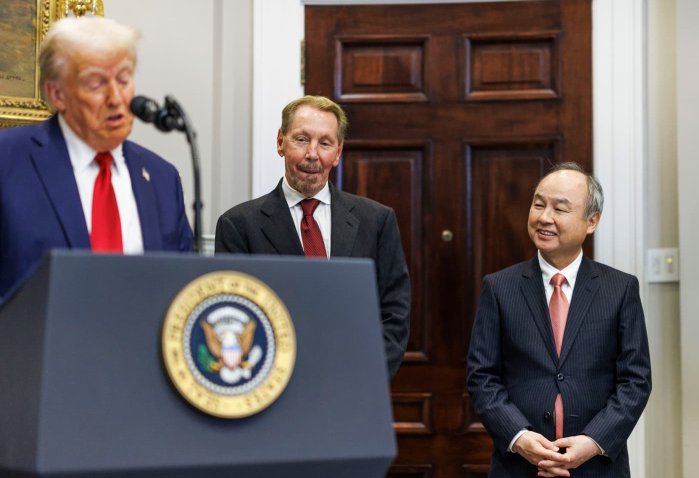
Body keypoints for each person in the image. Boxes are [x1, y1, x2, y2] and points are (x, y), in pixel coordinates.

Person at [467, 162, 651, 477]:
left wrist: (594, 441)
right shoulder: (499, 288)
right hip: (519, 466)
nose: (544, 217)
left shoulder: (620, 289)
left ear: (591, 221)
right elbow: (482, 377)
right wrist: (520, 437)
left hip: (597, 466)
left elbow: (635, 380)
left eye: (560, 208)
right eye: (539, 204)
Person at [215, 95, 410, 378]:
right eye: (301, 139)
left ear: (339, 152)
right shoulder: (238, 225)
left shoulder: (377, 221)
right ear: (280, 142)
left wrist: (363, 376)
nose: (313, 154)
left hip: (354, 386)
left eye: (325, 143)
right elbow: (233, 318)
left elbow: (394, 314)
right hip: (271, 389)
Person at [0, 17, 193, 303]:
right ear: (58, 94)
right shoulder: (8, 161)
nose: (116, 97)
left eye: (124, 80)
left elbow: (182, 290)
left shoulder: (162, 178)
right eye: (96, 83)